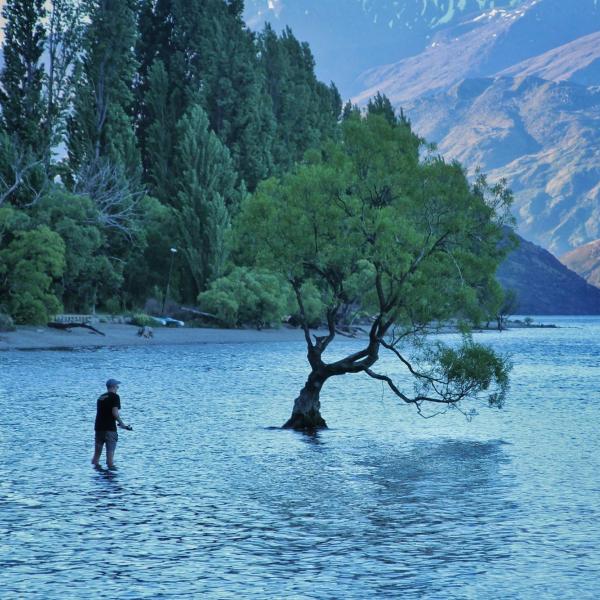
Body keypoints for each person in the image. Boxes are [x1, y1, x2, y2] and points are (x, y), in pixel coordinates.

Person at [91, 378, 132, 469]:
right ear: (113, 387)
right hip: (110, 430)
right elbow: (114, 413)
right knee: (110, 460)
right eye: (117, 386)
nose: (118, 388)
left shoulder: (100, 397)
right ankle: (111, 479)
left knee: (96, 457)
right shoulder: (115, 397)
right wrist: (122, 424)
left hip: (99, 429)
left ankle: (95, 475)